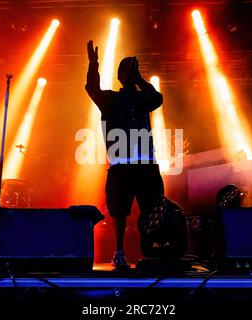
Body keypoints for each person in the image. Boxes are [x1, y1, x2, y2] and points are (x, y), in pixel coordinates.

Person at [85, 40, 164, 270]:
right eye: (127, 71)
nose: (130, 74)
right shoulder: (111, 99)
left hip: (146, 164)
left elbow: (157, 99)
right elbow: (92, 89)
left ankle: (151, 251)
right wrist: (93, 65)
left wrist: (139, 79)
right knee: (119, 211)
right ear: (119, 75)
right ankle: (119, 252)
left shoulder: (143, 99)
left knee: (153, 208)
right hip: (121, 165)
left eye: (133, 70)